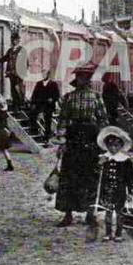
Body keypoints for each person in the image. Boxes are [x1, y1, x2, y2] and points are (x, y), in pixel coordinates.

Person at [55, 65, 109, 227]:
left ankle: (90, 214)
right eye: (80, 77)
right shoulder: (69, 98)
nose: (83, 80)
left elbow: (103, 120)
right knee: (69, 177)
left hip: (91, 141)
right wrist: (62, 142)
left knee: (91, 177)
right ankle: (68, 213)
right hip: (73, 141)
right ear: (76, 78)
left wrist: (103, 142)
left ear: (89, 79)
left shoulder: (97, 97)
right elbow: (63, 120)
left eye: (86, 77)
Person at [94, 127, 133, 242]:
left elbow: (130, 177)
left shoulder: (125, 160)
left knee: (120, 212)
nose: (113, 148)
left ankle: (118, 233)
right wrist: (99, 165)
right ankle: (108, 233)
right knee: (108, 212)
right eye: (110, 145)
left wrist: (131, 190)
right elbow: (96, 173)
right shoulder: (104, 158)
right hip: (107, 189)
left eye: (116, 145)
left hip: (120, 189)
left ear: (121, 146)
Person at [0, 33, 25, 112]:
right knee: (13, 89)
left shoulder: (21, 50)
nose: (14, 41)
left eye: (15, 40)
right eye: (13, 40)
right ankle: (15, 105)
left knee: (18, 89)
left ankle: (21, 104)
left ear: (18, 41)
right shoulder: (10, 50)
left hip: (19, 73)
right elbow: (5, 58)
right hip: (11, 73)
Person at [30, 70, 61, 142]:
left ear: (48, 75)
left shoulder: (53, 84)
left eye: (45, 74)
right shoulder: (39, 84)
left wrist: (52, 99)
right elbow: (34, 94)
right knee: (32, 114)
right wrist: (33, 103)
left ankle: (46, 136)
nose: (43, 75)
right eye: (42, 74)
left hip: (49, 105)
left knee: (48, 119)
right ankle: (34, 131)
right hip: (40, 104)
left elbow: (57, 95)